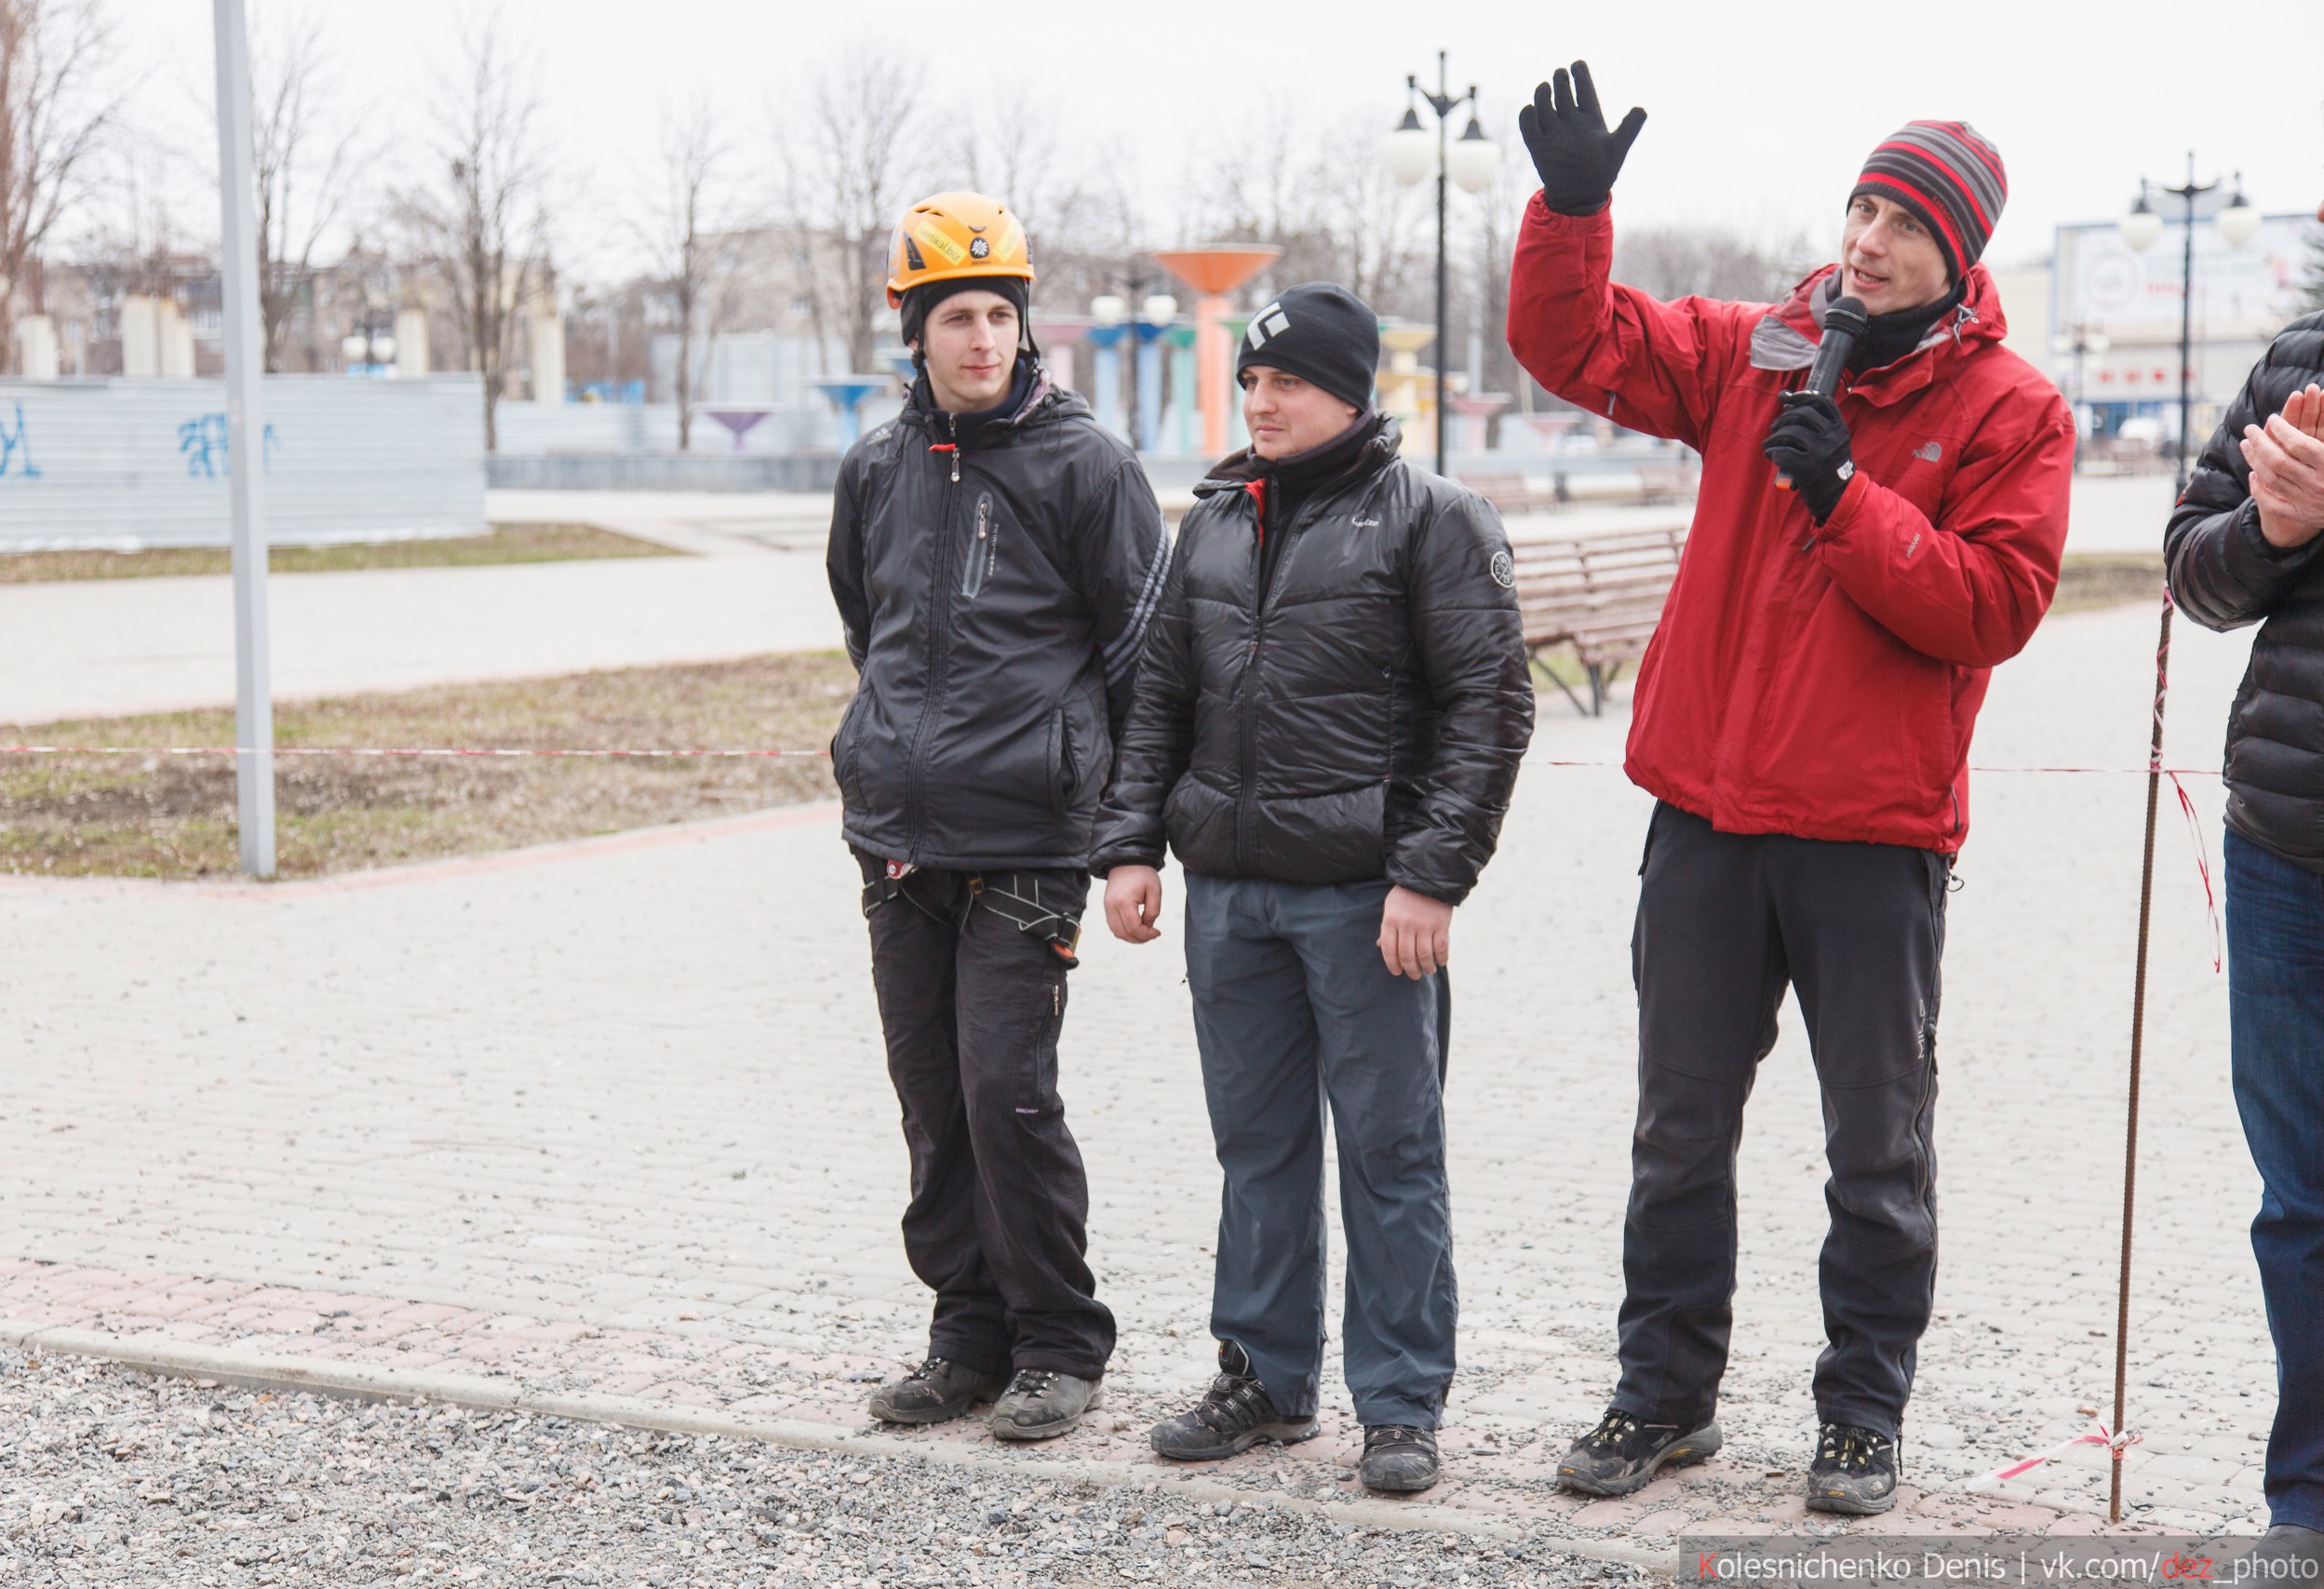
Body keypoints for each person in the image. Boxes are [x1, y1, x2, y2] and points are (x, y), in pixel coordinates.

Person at [1506, 66, 2073, 1514]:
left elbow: (1993, 606)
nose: (1869, 237)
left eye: (1904, 222)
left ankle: (1861, 1415)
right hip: (1704, 818)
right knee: (1677, 1136)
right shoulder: (1759, 350)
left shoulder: (2013, 409)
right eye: (1862, 205)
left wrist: (1845, 501)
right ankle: (1662, 1399)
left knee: (1875, 1149)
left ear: (1962, 258)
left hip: (1869, 846)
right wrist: (1575, 212)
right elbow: (1573, 341)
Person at [1091, 281, 1535, 1493]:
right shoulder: (1218, 518)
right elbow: (1157, 700)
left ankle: (1398, 1406)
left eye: (1286, 380)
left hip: (1365, 904)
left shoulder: (1434, 520)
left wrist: (1431, 878)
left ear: (1351, 392)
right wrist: (1129, 846)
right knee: (1257, 1152)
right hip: (1230, 897)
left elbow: (1488, 715)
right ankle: (1265, 1379)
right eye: (1251, 379)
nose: (1261, 400)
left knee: (1392, 1156)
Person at [827, 191, 1170, 1442]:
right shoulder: (875, 468)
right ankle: (966, 1338)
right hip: (902, 838)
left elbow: (1145, 659)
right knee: (930, 1096)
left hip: (1031, 841)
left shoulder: (1087, 467)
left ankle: (1059, 1341)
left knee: (1005, 1094)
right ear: (913, 332)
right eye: (957, 317)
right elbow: (872, 630)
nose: (984, 339)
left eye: (1001, 315)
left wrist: (1130, 836)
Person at [2164, 325, 2324, 1569]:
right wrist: (2272, 527)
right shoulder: (2300, 361)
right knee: (2303, 1202)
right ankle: (2307, 1503)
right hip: (2288, 842)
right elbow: (2193, 580)